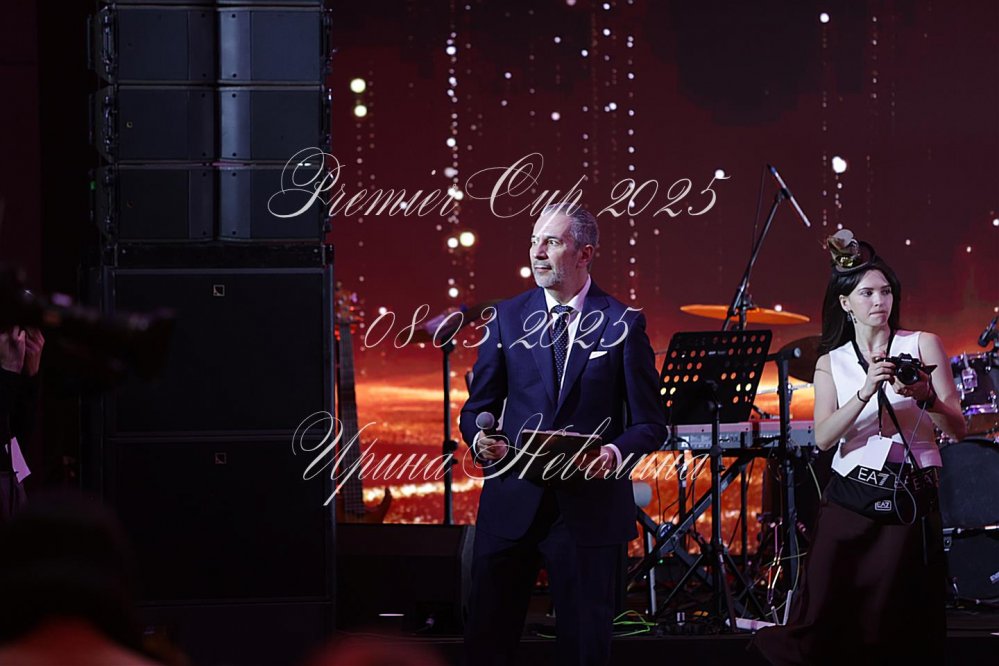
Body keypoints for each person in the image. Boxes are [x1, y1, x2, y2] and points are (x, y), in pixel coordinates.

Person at [459, 203, 667, 666]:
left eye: (551, 242)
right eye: (534, 241)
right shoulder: (506, 317)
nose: (537, 252)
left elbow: (651, 424)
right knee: (487, 643)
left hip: (588, 510)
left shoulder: (623, 322)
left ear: (584, 254)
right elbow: (477, 410)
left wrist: (613, 453)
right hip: (512, 503)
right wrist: (479, 438)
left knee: (585, 649)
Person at [753, 230, 966, 665]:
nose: (879, 301)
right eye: (866, 293)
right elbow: (824, 437)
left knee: (901, 622)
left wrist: (926, 395)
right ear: (845, 303)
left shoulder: (921, 343)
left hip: (909, 496)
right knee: (826, 614)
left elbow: (958, 429)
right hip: (851, 496)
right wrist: (865, 391)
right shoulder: (831, 361)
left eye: (885, 291)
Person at [0, 325, 44, 520]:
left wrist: (30, 376)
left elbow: (18, 442)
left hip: (10, 484)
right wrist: (9, 373)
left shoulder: (10, 351)